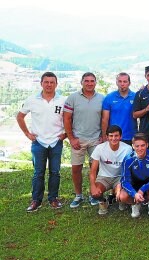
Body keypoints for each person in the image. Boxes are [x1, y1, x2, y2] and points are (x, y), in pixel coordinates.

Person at [17, 72, 67, 212]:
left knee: (55, 172)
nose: (49, 85)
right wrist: (27, 133)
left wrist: (66, 134)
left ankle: (53, 199)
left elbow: (70, 119)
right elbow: (20, 116)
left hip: (56, 141)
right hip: (38, 142)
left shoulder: (63, 100)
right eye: (46, 82)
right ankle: (36, 200)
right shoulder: (32, 100)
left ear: (56, 84)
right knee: (38, 173)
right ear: (41, 83)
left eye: (52, 82)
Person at [64, 72, 105, 208]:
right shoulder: (72, 98)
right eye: (86, 81)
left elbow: (105, 119)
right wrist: (71, 138)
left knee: (96, 168)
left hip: (95, 140)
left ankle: (94, 194)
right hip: (78, 140)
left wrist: (103, 136)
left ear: (95, 83)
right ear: (81, 82)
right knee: (76, 168)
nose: (89, 83)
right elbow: (67, 119)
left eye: (92, 81)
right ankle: (78, 195)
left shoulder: (101, 98)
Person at [89, 125, 133, 215]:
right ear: (107, 137)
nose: (114, 138)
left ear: (121, 136)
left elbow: (129, 170)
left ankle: (121, 200)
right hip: (104, 177)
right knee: (94, 192)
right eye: (111, 136)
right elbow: (93, 171)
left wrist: (120, 186)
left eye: (116, 136)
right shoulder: (100, 148)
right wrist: (93, 186)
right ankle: (103, 202)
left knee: (122, 195)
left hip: (120, 177)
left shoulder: (127, 149)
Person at [118, 133, 149, 218]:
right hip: (134, 184)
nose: (140, 148)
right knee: (122, 196)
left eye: (142, 145)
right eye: (137, 146)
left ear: (147, 145)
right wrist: (134, 193)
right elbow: (125, 181)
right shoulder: (127, 159)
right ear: (133, 146)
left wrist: (143, 189)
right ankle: (135, 203)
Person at [102, 72, 136, 145]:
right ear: (116, 83)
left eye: (125, 81)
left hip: (131, 137)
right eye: (120, 81)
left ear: (129, 83)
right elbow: (105, 119)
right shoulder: (109, 97)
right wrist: (105, 136)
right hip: (113, 137)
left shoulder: (135, 96)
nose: (122, 84)